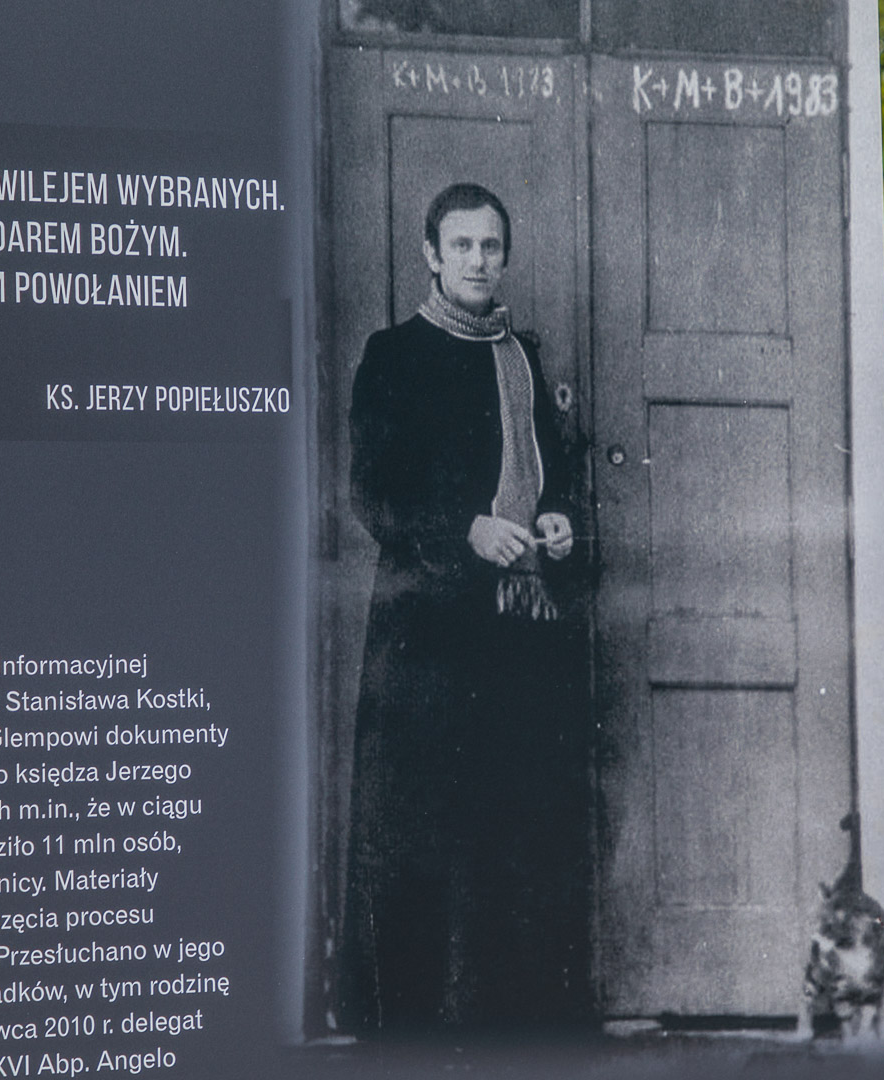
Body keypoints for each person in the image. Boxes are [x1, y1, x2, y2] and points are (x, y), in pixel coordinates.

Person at [338, 183, 591, 1034]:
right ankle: (406, 1037)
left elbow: (553, 475)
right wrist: (466, 530)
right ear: (431, 255)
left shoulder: (522, 357)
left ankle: (503, 1030)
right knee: (416, 839)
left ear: (504, 256)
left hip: (517, 641)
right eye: (462, 245)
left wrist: (558, 521)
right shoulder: (394, 355)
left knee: (511, 835)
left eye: (491, 246)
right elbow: (374, 495)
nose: (478, 261)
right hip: (425, 639)